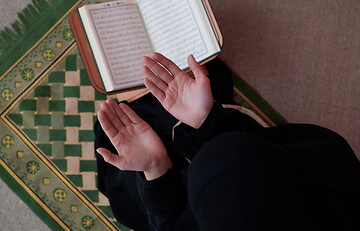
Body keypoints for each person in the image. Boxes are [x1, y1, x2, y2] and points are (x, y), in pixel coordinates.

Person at [94, 53, 360, 231]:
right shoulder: (333, 169)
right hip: (240, 149)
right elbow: (266, 145)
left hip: (177, 193)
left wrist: (155, 168)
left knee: (122, 173)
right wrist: (207, 121)